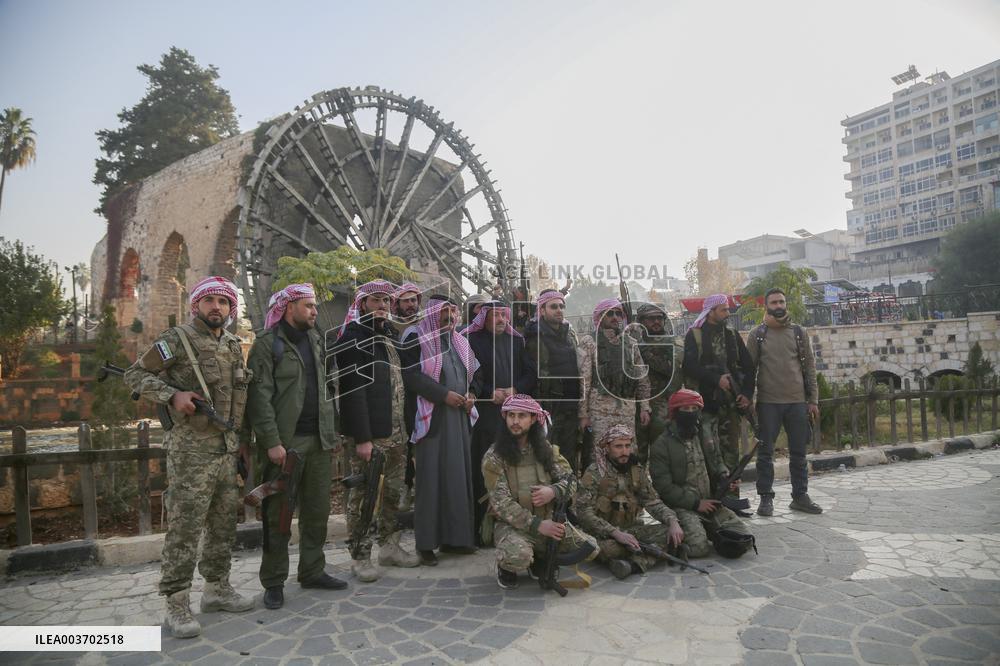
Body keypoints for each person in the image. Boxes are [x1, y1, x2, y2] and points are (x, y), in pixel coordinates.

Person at [124, 276, 255, 638]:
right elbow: (135, 375)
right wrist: (171, 395)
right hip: (191, 452)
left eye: (224, 302)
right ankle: (177, 602)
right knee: (185, 527)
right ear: (196, 305)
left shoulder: (231, 343)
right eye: (209, 300)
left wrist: (242, 442)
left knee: (223, 524)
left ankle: (216, 589)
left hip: (225, 449)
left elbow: (237, 399)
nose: (217, 307)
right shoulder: (176, 340)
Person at [246, 283, 347, 611]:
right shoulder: (266, 345)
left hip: (318, 439)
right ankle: (274, 581)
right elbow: (259, 398)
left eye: (314, 305)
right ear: (289, 308)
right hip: (285, 444)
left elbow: (324, 390)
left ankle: (312, 570)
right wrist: (272, 442)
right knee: (279, 515)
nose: (315, 311)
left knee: (317, 510)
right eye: (308, 306)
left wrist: (330, 435)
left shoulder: (316, 340)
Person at [334, 281, 421, 582]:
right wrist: (362, 438)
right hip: (370, 436)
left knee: (393, 493)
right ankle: (360, 555)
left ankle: (389, 546)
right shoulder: (352, 338)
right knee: (364, 497)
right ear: (362, 305)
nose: (382, 305)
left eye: (386, 300)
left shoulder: (389, 336)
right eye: (375, 300)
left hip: (396, 433)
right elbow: (352, 392)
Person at [481, 394, 597, 589]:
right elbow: (501, 504)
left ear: (534, 419)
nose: (515, 421)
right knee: (519, 556)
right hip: (514, 525)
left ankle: (541, 558)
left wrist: (553, 491)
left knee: (591, 547)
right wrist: (536, 524)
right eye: (511, 416)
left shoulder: (547, 451)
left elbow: (570, 481)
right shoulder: (494, 457)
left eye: (521, 416)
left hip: (549, 521)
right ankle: (508, 567)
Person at [400, 298, 480, 564]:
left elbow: (475, 375)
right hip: (432, 418)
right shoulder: (416, 339)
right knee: (430, 481)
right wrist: (443, 395)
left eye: (452, 312)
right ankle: (426, 544)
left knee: (456, 478)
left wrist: (471, 393)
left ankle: (455, 540)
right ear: (433, 314)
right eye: (443, 313)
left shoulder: (460, 341)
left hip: (458, 418)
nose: (449, 317)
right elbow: (411, 376)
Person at [648, 390, 755, 559]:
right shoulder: (661, 445)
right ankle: (676, 537)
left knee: (743, 538)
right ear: (675, 412)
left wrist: (724, 476)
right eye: (685, 409)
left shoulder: (704, 435)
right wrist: (696, 503)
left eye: (694, 409)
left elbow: (717, 460)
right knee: (699, 548)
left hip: (711, 503)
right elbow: (664, 487)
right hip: (683, 507)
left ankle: (704, 528)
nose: (690, 413)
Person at [745, 288, 822, 516]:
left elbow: (809, 367)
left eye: (781, 302)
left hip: (797, 402)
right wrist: (749, 399)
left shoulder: (799, 332)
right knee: (765, 453)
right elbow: (750, 370)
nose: (778, 306)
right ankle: (765, 498)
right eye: (774, 302)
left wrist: (813, 400)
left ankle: (800, 496)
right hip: (769, 403)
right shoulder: (757, 334)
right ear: (766, 306)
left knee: (799, 453)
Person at [464, 301, 534, 543]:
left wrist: (516, 389)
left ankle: (514, 524)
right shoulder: (473, 341)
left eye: (505, 316)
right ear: (484, 318)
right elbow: (468, 376)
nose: (502, 320)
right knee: (485, 468)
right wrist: (489, 393)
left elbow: (530, 373)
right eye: (495, 316)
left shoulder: (517, 341)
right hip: (485, 415)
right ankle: (481, 530)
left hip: (513, 415)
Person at [575, 424, 684, 580]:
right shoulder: (594, 472)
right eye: (618, 446)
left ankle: (634, 564)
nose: (624, 451)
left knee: (671, 533)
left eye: (627, 446)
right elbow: (584, 513)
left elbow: (653, 502)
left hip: (631, 530)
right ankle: (649, 553)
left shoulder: (636, 471)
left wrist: (673, 521)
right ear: (607, 448)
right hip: (603, 535)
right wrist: (614, 532)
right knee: (605, 549)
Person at [681, 294, 755, 486]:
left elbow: (748, 366)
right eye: (723, 309)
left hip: (730, 404)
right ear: (711, 312)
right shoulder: (695, 335)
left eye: (728, 309)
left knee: (731, 451)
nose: (727, 313)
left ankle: (731, 496)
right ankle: (713, 499)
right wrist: (716, 380)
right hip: (705, 405)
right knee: (709, 452)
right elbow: (688, 366)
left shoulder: (731, 334)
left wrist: (746, 394)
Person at [578, 299, 651, 475]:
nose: (614, 317)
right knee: (600, 454)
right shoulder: (589, 342)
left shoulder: (630, 343)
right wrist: (583, 414)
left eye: (618, 313)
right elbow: (584, 380)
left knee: (627, 452)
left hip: (627, 409)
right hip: (600, 410)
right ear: (600, 317)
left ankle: (629, 493)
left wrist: (645, 407)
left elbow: (641, 377)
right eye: (609, 313)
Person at [521, 289, 585, 472]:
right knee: (548, 457)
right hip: (549, 407)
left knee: (570, 456)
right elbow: (533, 374)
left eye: (561, 306)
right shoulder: (534, 336)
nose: (559, 310)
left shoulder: (568, 333)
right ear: (542, 310)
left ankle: (569, 496)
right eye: (554, 306)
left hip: (570, 405)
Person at [634, 302, 684, 463]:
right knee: (637, 454)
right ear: (641, 321)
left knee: (661, 452)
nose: (656, 322)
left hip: (663, 404)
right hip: (638, 404)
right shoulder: (632, 342)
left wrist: (644, 352)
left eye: (659, 318)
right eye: (650, 319)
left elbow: (670, 369)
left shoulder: (673, 341)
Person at [392, 281, 423, 510]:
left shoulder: (424, 326)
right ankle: (402, 489)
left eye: (414, 300)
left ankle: (413, 489)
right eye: (406, 301)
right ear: (398, 304)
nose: (410, 305)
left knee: (416, 440)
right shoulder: (392, 328)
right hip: (394, 395)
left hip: (417, 394)